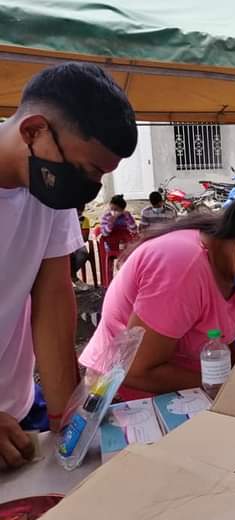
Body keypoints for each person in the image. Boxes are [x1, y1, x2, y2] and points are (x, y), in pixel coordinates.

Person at [0, 62, 136, 467]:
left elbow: (53, 298)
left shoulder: (46, 189)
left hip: (18, 412)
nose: (89, 189)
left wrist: (67, 417)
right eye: (86, 170)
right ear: (33, 131)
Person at [79, 199, 235, 400]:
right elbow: (137, 371)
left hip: (187, 388)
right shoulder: (182, 267)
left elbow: (227, 336)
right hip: (126, 397)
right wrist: (231, 386)